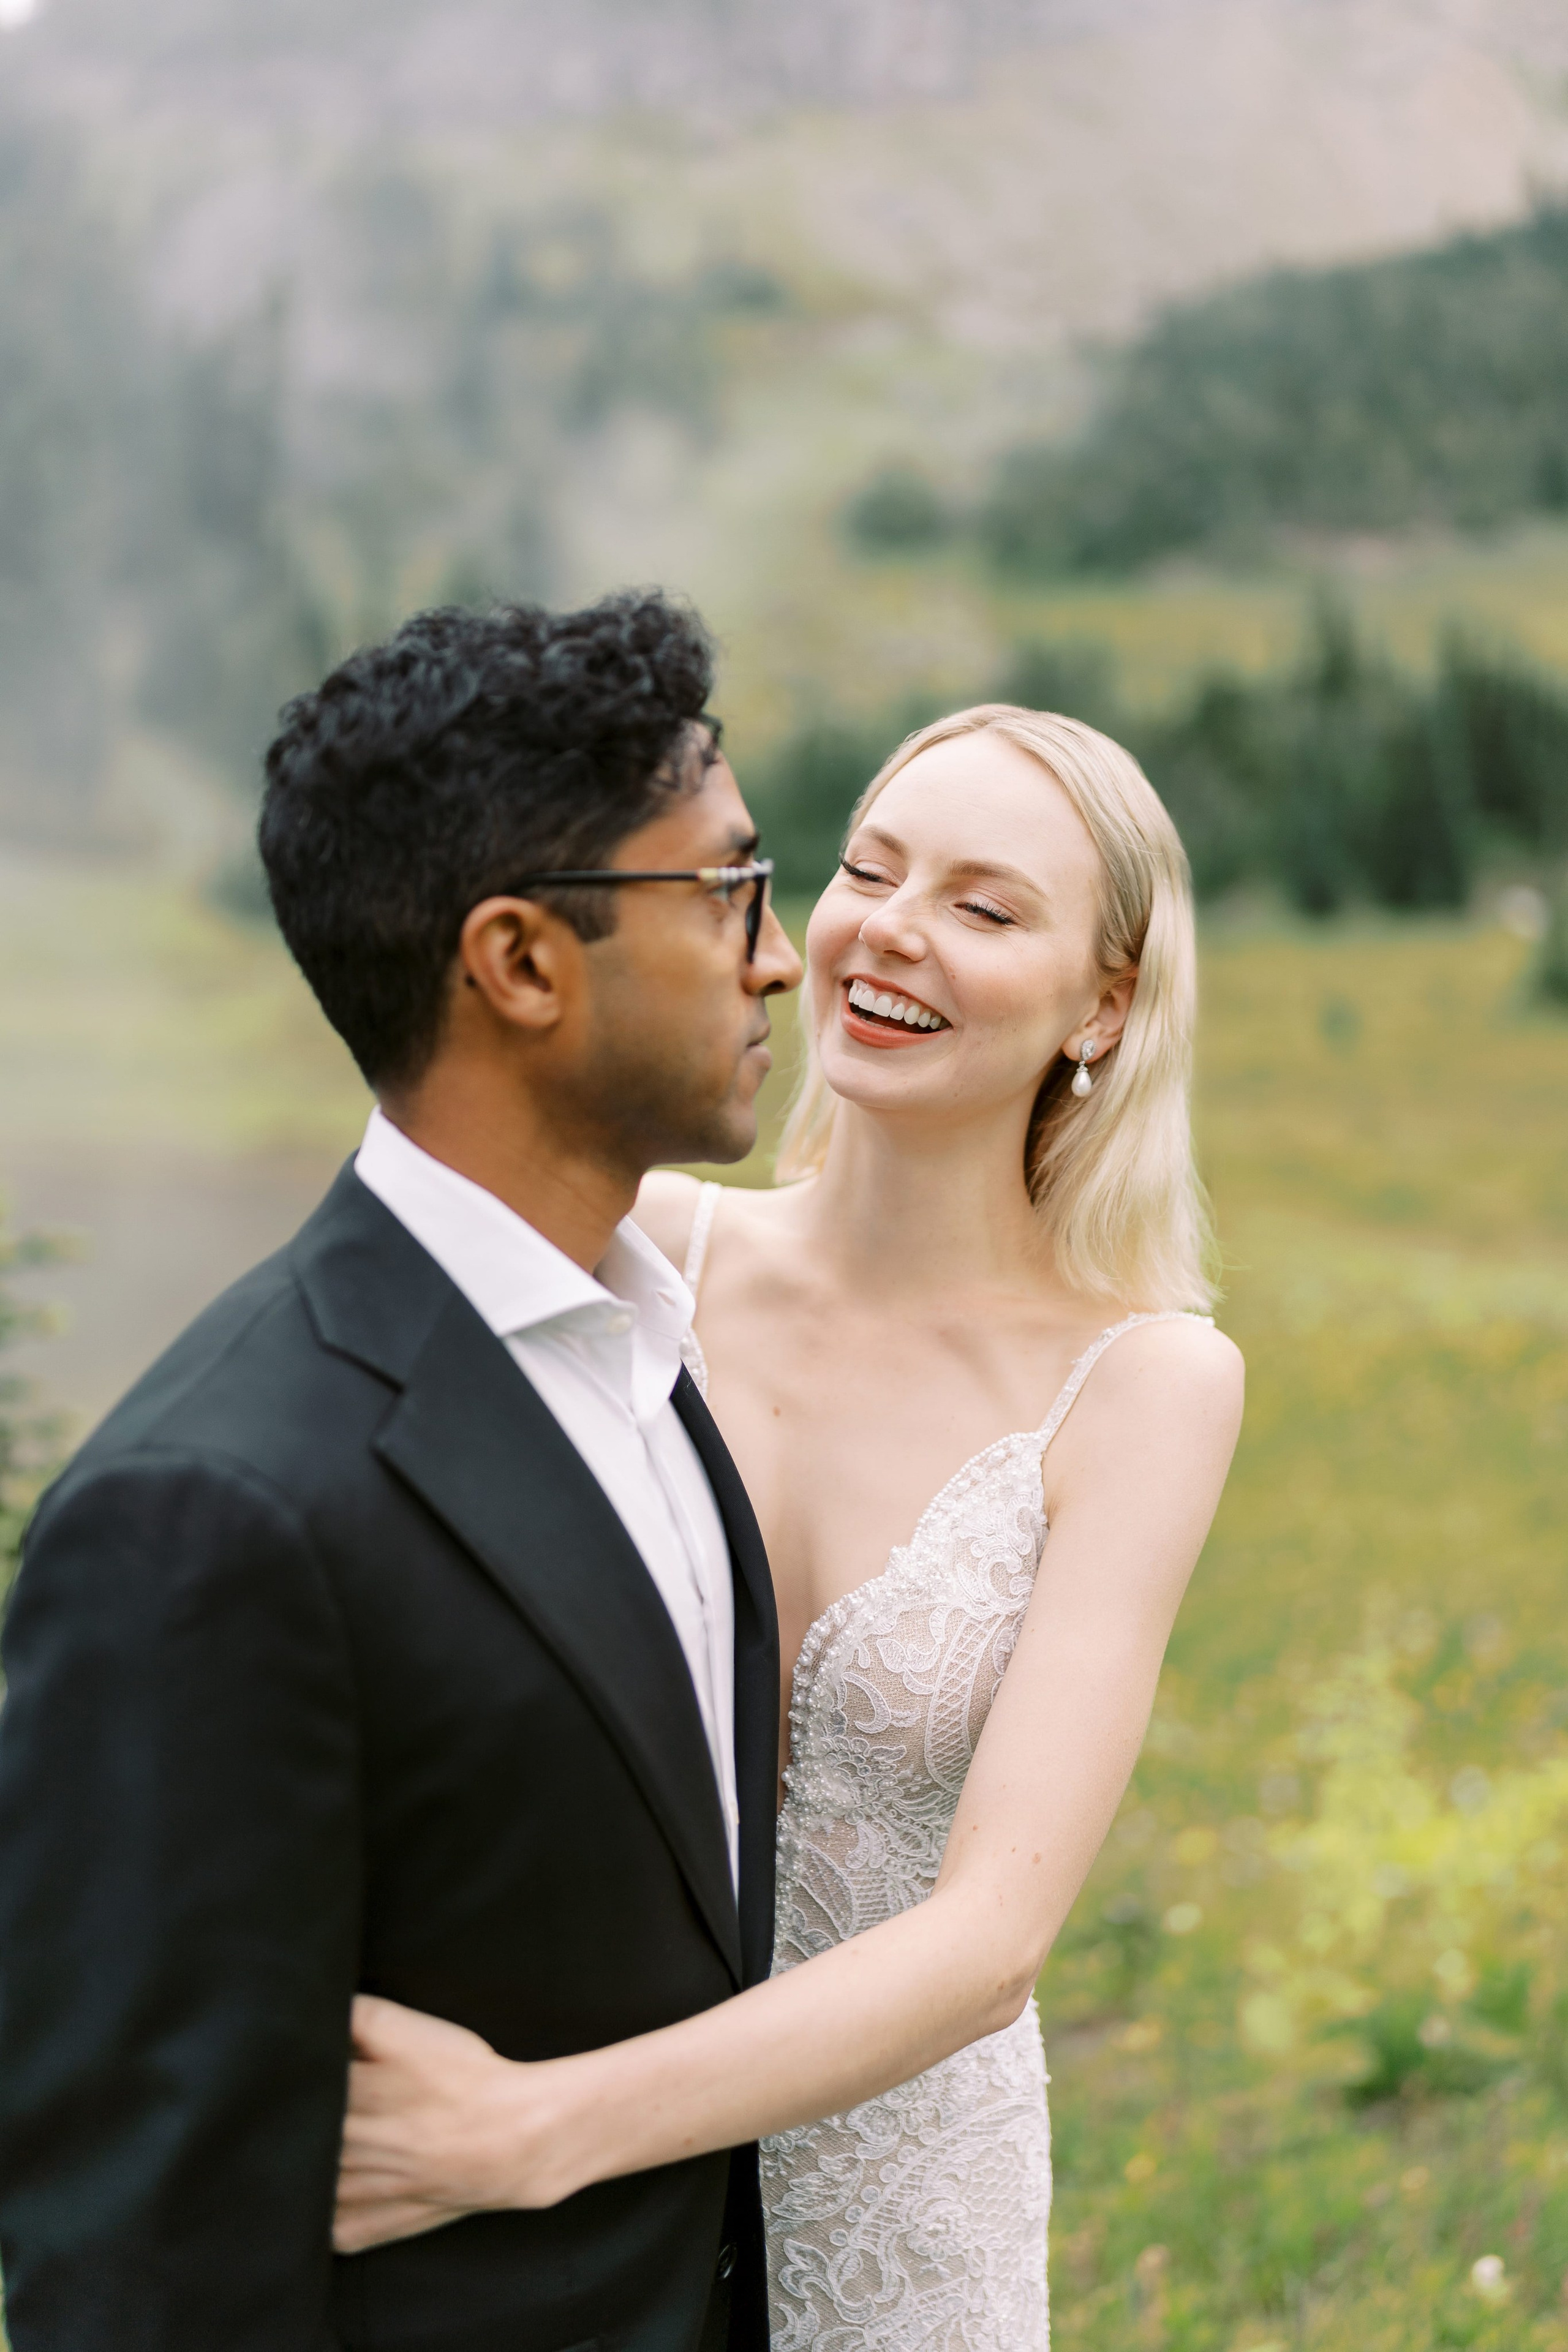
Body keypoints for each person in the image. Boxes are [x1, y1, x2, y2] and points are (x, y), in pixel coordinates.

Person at [332, 703, 1246, 2348]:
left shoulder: (1147, 1385)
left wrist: (532, 2132)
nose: (890, 929)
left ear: (1107, 1003)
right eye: (869, 872)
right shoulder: (646, 1248)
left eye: (984, 906)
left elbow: (991, 1941)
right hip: (565, 2213)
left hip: (891, 2222)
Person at [0, 590, 802, 2351]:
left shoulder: (648, 1354)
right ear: (521, 964)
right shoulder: (207, 1513)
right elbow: (141, 2259)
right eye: (729, 888)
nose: (782, 957)